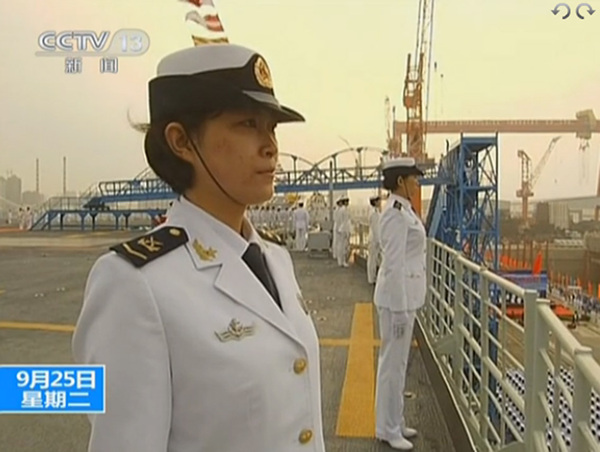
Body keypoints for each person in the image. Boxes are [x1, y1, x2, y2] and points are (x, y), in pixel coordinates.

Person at [72, 43, 325, 452]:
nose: (270, 146)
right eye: (248, 124)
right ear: (181, 141)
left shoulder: (274, 259)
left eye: (272, 128)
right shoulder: (135, 284)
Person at [374, 157, 426, 451]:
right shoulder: (394, 214)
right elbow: (393, 264)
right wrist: (398, 310)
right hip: (397, 301)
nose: (417, 183)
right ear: (400, 182)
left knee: (400, 364)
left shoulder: (404, 209)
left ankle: (396, 420)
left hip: (406, 298)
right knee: (392, 366)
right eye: (413, 178)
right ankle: (387, 428)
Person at [367, 194, 382, 284]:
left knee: (375, 259)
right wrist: (378, 241)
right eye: (378, 201)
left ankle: (373, 277)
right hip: (374, 239)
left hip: (375, 238)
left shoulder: (376, 211)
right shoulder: (373, 213)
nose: (380, 202)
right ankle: (371, 278)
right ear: (375, 202)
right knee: (372, 259)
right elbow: (375, 228)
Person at [335, 196, 351, 267]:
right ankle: (343, 261)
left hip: (341, 229)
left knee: (340, 245)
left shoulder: (341, 210)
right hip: (344, 229)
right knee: (343, 246)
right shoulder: (344, 210)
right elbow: (345, 221)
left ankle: (340, 261)